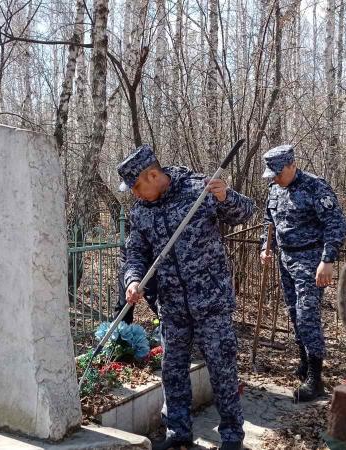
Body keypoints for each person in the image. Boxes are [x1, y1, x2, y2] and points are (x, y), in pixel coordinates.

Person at [119, 144, 255, 450]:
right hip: (172, 305)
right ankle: (178, 431)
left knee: (222, 370)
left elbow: (246, 212)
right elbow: (136, 253)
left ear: (152, 174)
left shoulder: (199, 189)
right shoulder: (141, 212)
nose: (135, 194)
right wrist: (134, 279)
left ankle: (232, 436)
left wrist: (225, 196)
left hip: (211, 302)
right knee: (172, 371)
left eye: (137, 186)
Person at [259, 144, 346, 402]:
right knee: (293, 312)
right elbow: (270, 222)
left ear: (292, 165)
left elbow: (336, 223)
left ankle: (315, 379)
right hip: (286, 260)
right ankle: (304, 363)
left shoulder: (315, 187)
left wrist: (327, 260)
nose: (275, 178)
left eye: (278, 172)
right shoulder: (275, 189)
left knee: (307, 314)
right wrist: (267, 246)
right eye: (271, 174)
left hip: (311, 260)